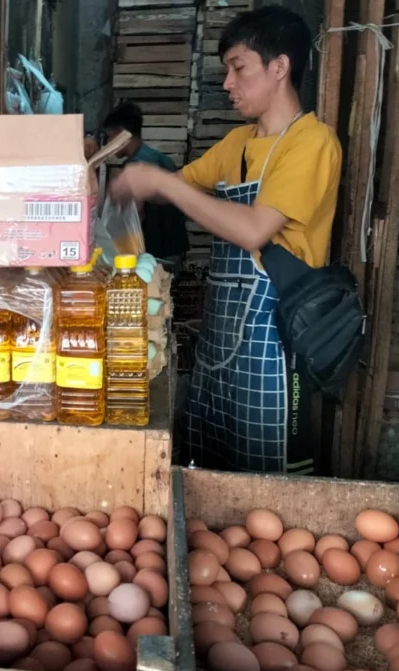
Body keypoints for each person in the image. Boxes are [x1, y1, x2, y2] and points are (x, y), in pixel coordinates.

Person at [110, 6, 342, 474]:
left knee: (264, 477)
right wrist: (128, 186)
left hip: (275, 338)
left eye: (239, 68)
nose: (227, 83)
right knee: (210, 459)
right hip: (221, 336)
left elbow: (254, 228)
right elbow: (175, 187)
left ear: (279, 67)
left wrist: (162, 183)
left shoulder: (312, 143)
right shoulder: (236, 144)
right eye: (226, 71)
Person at [101, 101, 189, 269]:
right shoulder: (163, 159)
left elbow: (135, 214)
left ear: (121, 134)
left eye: (109, 136)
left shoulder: (134, 167)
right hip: (175, 249)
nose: (108, 144)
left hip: (152, 257)